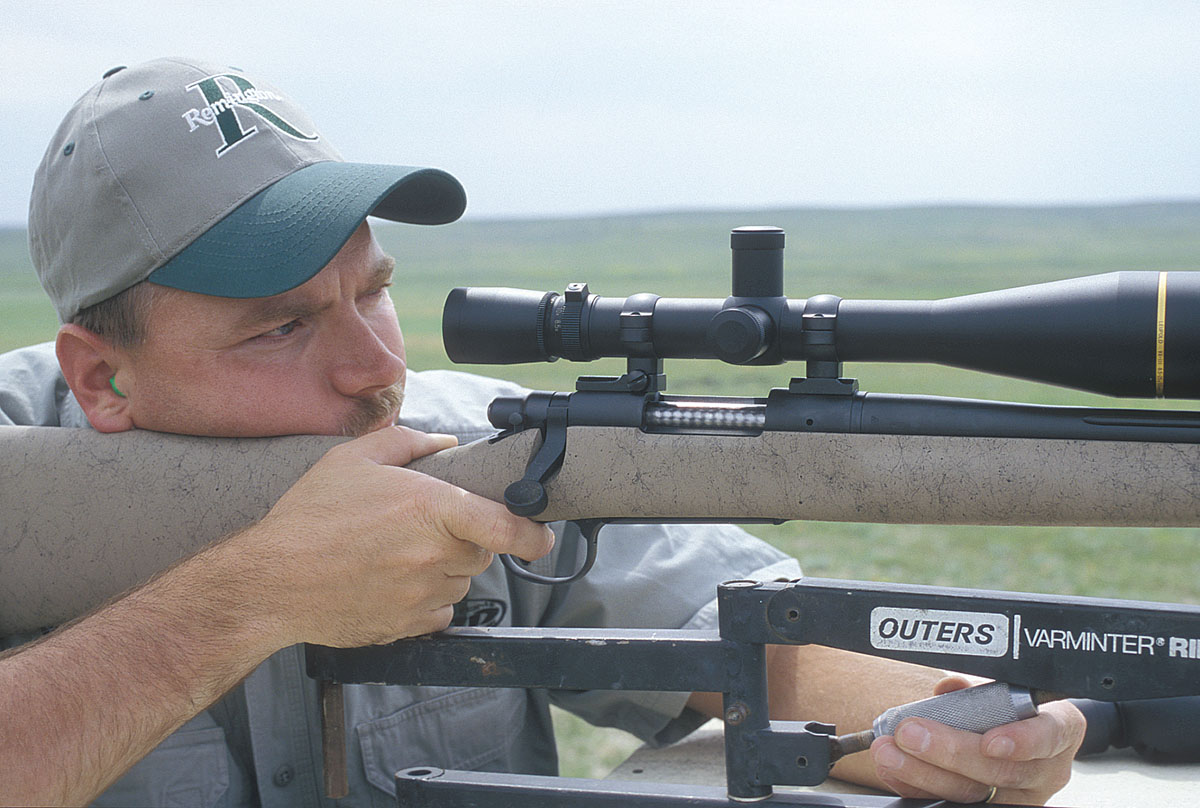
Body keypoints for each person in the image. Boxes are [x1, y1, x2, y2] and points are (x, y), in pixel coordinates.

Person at [0, 57, 1083, 806]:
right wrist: (246, 600)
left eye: (371, 293)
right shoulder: (24, 480)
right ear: (103, 379)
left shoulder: (471, 449)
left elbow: (762, 651)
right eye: (279, 328)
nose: (376, 369)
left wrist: (962, 730)